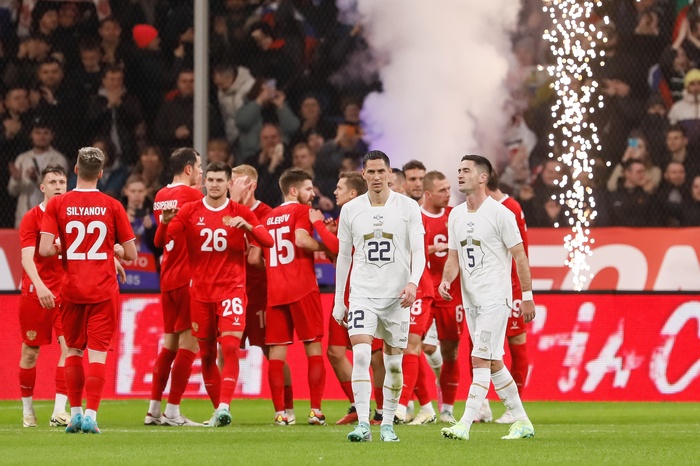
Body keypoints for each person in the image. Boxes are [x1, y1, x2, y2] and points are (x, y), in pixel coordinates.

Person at [155, 161, 273, 427]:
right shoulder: (190, 211)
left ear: (229, 183)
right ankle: (218, 410)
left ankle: (224, 407)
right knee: (207, 355)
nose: (215, 184)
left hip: (231, 291)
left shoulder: (240, 211)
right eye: (210, 179)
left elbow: (268, 241)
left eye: (220, 180)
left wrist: (249, 227)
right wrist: (163, 223)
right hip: (200, 294)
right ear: (204, 182)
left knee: (229, 347)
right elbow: (161, 241)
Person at [39, 146, 137, 434]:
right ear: (101, 173)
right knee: (97, 354)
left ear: (76, 170)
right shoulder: (112, 205)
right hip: (102, 290)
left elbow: (44, 249)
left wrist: (61, 246)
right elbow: (131, 253)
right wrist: (115, 250)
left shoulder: (58, 204)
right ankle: (92, 415)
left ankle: (75, 414)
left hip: (71, 290)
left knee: (72, 351)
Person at [439, 154, 535, 441]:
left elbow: (520, 256)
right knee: (493, 362)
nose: (460, 174)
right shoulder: (456, 215)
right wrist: (446, 279)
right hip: (471, 300)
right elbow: (453, 257)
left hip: (495, 298)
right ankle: (522, 421)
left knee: (479, 359)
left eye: (466, 170)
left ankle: (464, 424)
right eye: (459, 170)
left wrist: (527, 296)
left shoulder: (501, 213)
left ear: (483, 177)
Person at [334, 150, 426, 442]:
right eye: (370, 172)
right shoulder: (351, 210)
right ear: (363, 174)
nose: (376, 177)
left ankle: (387, 423)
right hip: (363, 295)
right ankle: (364, 424)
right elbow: (344, 257)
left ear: (390, 174)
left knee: (394, 365)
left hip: (397, 298)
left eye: (381, 172)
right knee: (361, 355)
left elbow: (419, 251)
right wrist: (339, 300)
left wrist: (413, 283)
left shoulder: (408, 207)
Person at [249, 168, 327, 426]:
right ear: (293, 190)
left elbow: (253, 258)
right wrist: (327, 247)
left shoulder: (267, 217)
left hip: (275, 292)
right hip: (303, 288)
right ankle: (315, 411)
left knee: (276, 354)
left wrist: (274, 269)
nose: (312, 194)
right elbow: (302, 241)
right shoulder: (302, 212)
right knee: (313, 349)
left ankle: (280, 414)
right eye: (308, 189)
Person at [309, 171, 386, 426]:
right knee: (335, 352)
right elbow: (340, 255)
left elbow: (339, 249)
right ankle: (357, 404)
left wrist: (319, 225)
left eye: (339, 188)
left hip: (364, 291)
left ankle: (382, 411)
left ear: (353, 193)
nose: (335, 192)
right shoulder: (346, 214)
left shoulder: (359, 214)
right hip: (344, 293)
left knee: (375, 354)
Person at [232, 164, 296, 423]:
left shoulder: (267, 214)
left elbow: (268, 260)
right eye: (231, 182)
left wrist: (253, 255)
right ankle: (221, 408)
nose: (233, 187)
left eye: (238, 182)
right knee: (225, 350)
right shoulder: (225, 211)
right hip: (231, 293)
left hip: (260, 293)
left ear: (252, 185)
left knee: (271, 353)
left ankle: (287, 409)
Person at [146, 147, 203, 427]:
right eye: (200, 168)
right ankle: (173, 411)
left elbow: (160, 240)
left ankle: (153, 410)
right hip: (188, 277)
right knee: (189, 344)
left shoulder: (160, 196)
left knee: (169, 344)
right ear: (189, 169)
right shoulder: (193, 196)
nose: (202, 174)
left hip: (167, 276)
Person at [18, 164, 69, 428]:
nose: (58, 187)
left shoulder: (72, 217)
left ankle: (59, 411)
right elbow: (27, 258)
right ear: (42, 187)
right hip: (36, 293)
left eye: (62, 182)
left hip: (67, 294)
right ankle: (28, 411)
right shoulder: (32, 218)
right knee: (30, 352)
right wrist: (39, 286)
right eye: (52, 182)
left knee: (70, 349)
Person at [420, 170, 465, 424]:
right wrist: (430, 249)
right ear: (428, 194)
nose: (448, 194)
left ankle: (447, 409)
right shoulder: (416, 217)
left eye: (449, 189)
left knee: (451, 351)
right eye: (442, 190)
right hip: (425, 291)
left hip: (451, 294)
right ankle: (419, 406)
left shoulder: (455, 216)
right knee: (411, 347)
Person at [486, 171, 531, 425]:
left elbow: (520, 253)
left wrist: (524, 292)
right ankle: (481, 405)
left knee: (516, 341)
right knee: (481, 344)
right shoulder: (483, 208)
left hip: (510, 287)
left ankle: (515, 406)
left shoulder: (509, 207)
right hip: (486, 287)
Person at [395, 159, 436, 426]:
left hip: (417, 287)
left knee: (411, 345)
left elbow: (415, 252)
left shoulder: (411, 213)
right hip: (400, 287)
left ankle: (400, 407)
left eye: (390, 184)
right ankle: (428, 408)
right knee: (410, 349)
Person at [8, 117, 68, 228]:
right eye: (37, 133)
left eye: (46, 133)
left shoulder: (58, 159)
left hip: (48, 219)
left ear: (52, 136)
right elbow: (12, 191)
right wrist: (17, 179)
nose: (42, 136)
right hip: (24, 219)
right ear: (31, 135)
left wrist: (37, 179)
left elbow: (57, 191)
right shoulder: (22, 158)